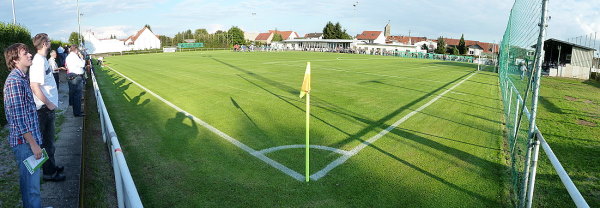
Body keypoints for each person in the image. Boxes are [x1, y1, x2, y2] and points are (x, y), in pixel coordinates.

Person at [3, 43, 43, 208]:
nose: (30, 55)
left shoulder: (22, 78)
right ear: (15, 59)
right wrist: (33, 144)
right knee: (31, 187)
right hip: (25, 144)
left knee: (33, 185)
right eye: (25, 53)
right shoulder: (14, 82)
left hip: (30, 142)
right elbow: (18, 119)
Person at [30, 33, 66, 182]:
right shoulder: (38, 61)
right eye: (49, 40)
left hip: (46, 109)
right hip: (44, 110)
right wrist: (48, 103)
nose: (50, 42)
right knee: (47, 143)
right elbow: (34, 86)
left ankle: (51, 167)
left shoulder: (42, 59)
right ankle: (49, 173)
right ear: (44, 43)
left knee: (49, 142)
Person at [65, 44, 85, 117]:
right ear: (76, 50)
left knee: (74, 95)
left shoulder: (68, 57)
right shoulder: (75, 56)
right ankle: (77, 112)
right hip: (76, 77)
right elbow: (82, 64)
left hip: (71, 76)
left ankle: (76, 111)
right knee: (77, 95)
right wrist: (82, 58)